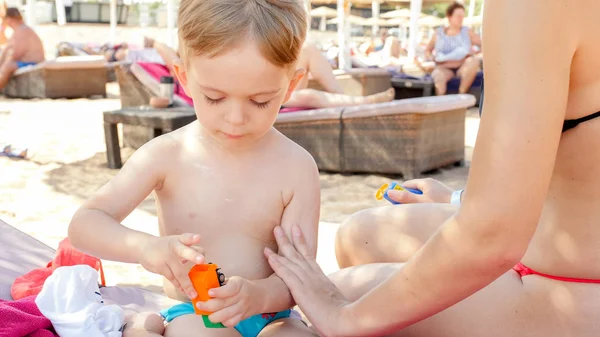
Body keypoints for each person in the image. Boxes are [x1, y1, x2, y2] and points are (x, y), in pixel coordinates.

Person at [265, 0, 600, 336]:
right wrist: (464, 200)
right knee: (358, 236)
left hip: (570, 285)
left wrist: (342, 317)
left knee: (301, 322)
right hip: (551, 239)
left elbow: (494, 237)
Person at [67, 1, 321, 336]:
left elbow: (301, 277)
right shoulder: (167, 155)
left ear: (290, 85)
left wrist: (258, 296)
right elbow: (85, 224)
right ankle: (144, 326)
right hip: (193, 311)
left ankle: (144, 329)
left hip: (274, 314)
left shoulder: (297, 168)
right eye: (214, 97)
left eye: (260, 101)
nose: (235, 118)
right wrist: (144, 247)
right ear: (184, 78)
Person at [425, 2, 481, 96]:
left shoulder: (467, 32)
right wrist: (431, 58)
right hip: (443, 67)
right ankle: (441, 105)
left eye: (462, 16)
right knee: (439, 79)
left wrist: (476, 53)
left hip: (462, 67)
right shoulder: (438, 33)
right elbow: (428, 50)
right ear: (450, 17)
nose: (461, 19)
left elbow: (483, 44)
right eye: (458, 16)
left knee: (473, 61)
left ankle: (461, 95)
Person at [0, 7, 44, 90]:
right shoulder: (19, 30)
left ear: (9, 19)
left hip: (33, 63)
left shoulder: (23, 31)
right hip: (26, 62)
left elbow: (17, 54)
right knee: (6, 64)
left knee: (8, 66)